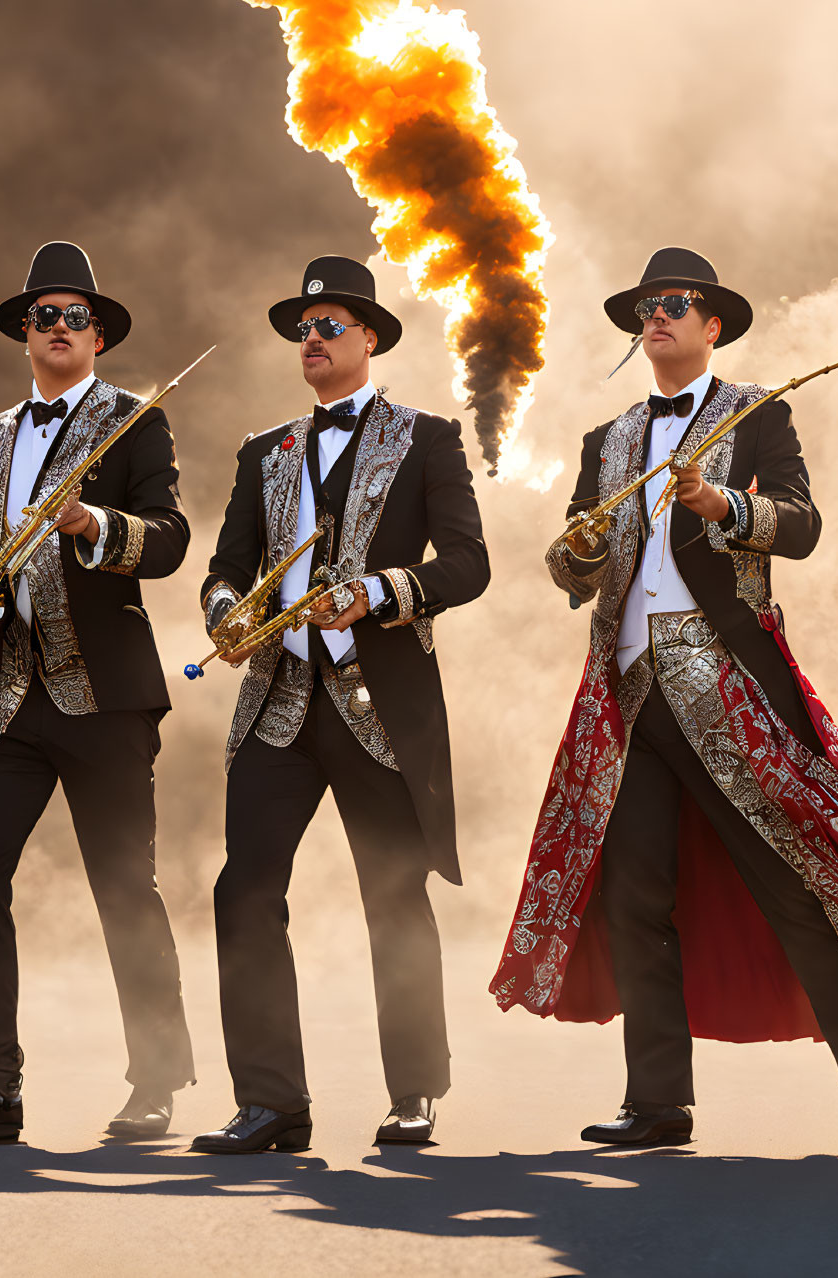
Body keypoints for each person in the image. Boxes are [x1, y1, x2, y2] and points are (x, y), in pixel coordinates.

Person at [492, 247, 838, 1152]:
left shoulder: (757, 412)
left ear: (712, 324)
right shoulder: (607, 439)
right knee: (635, 897)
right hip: (625, 691)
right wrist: (583, 547)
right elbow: (568, 569)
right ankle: (657, 1104)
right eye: (646, 305)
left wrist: (720, 502)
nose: (657, 315)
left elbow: (801, 524)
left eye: (675, 304)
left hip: (727, 684)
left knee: (796, 886)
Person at [0, 242, 194, 1143]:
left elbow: (173, 540)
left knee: (122, 885)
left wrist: (95, 522)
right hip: (9, 694)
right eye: (43, 316)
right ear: (24, 333)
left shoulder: (134, 421)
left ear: (97, 334)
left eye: (74, 316)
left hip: (106, 696)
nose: (58, 329)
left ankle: (155, 1084)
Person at [192, 256, 489, 1153]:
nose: (311, 339)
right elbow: (224, 567)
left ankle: (413, 1093)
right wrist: (223, 613)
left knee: (393, 896)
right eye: (301, 328)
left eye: (329, 325)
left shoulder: (429, 437)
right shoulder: (263, 450)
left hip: (377, 706)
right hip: (277, 702)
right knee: (243, 891)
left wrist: (380, 592)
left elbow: (468, 566)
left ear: (369, 337)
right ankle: (271, 1102)